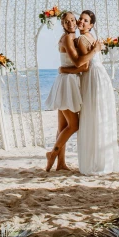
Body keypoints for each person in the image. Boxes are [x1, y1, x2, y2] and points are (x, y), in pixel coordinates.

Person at [73, 9, 119, 175]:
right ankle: (94, 160)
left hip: (100, 77)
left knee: (102, 116)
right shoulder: (80, 39)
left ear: (91, 25)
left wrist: (96, 49)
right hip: (91, 77)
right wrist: (95, 50)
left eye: (85, 20)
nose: (81, 22)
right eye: (80, 19)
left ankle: (104, 159)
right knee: (93, 114)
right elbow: (81, 62)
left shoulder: (91, 37)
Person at [44, 12, 83, 171]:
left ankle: (60, 163)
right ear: (62, 24)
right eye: (67, 22)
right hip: (66, 83)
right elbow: (79, 64)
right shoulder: (68, 38)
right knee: (74, 125)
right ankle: (52, 153)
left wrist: (64, 69)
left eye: (72, 20)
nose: (70, 23)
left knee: (62, 127)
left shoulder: (72, 38)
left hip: (66, 80)